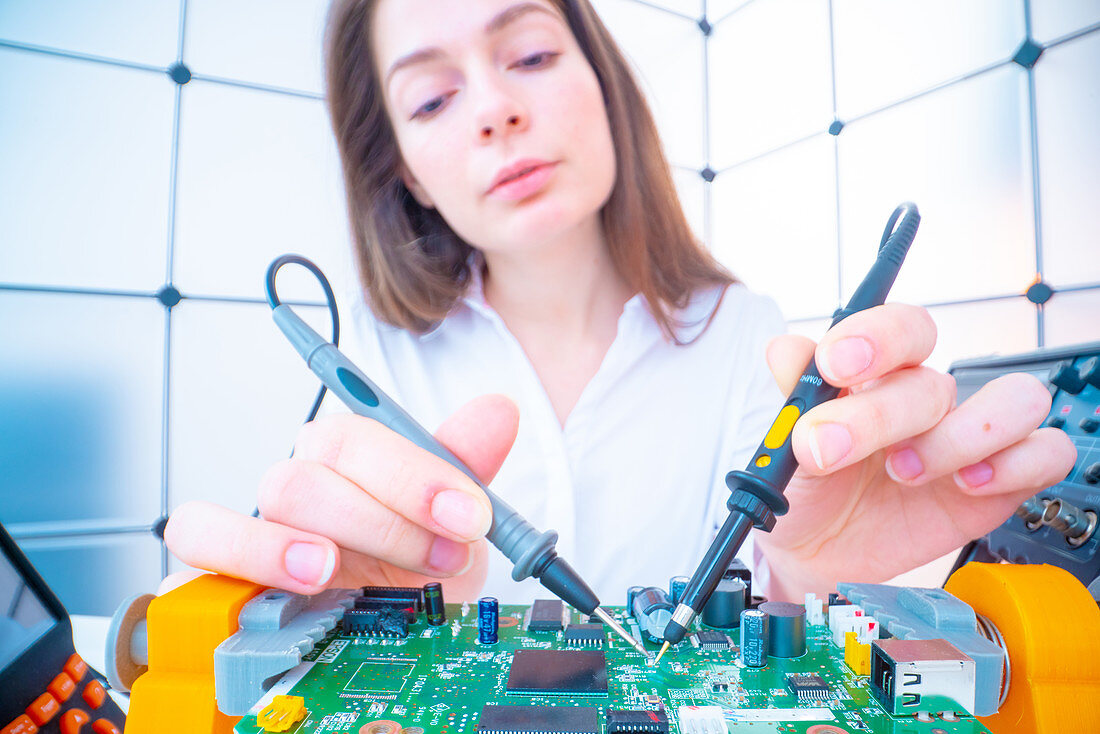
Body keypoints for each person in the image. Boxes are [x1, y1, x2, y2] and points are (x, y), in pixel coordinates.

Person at [164, 0, 1075, 606]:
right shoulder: (370, 359)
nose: (494, 109)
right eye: (434, 98)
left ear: (604, 81)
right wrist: (273, 601)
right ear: (406, 170)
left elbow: (787, 590)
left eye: (528, 53)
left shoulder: (745, 338)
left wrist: (804, 576)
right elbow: (249, 598)